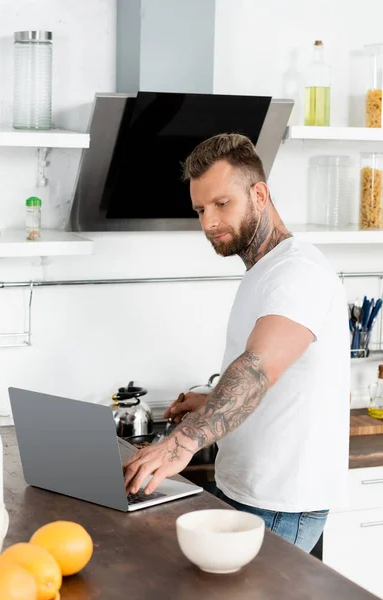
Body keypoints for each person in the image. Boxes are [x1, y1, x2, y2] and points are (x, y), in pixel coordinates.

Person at [123, 133, 350, 552]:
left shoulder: (298, 273)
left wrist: (180, 443)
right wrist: (211, 402)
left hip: (281, 501)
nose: (208, 222)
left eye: (222, 204)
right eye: (200, 209)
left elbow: (258, 368)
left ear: (259, 193)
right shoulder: (266, 271)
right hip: (247, 491)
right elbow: (279, 376)